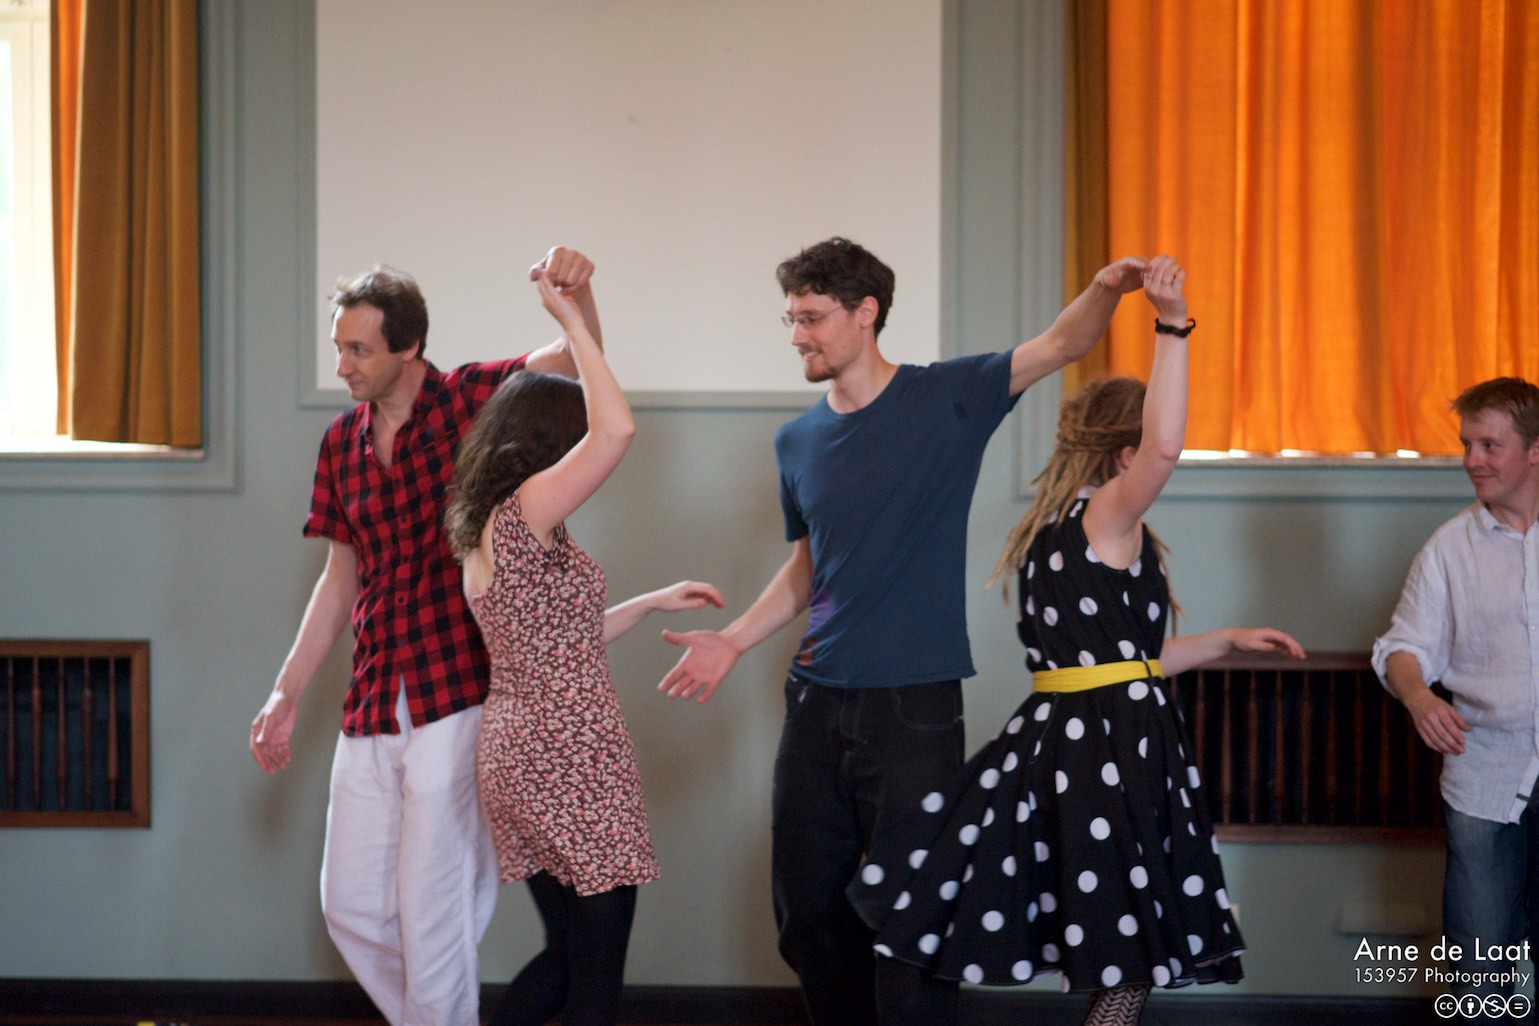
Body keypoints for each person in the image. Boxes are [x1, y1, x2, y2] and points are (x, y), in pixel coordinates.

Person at [657, 236, 1156, 1026]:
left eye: (812, 318)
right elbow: (807, 566)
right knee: (806, 918)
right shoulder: (796, 440)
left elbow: (1063, 344)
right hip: (814, 704)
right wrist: (734, 639)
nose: (797, 336)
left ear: (865, 313)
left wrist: (1104, 287)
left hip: (912, 711)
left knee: (913, 924)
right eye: (791, 319)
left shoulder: (946, 396)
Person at [846, 256, 1305, 1025]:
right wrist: (1171, 327)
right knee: (1129, 955)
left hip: (1073, 734)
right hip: (1110, 750)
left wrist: (1223, 641)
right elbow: (1164, 449)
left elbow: (1117, 665)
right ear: (1124, 455)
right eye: (1143, 454)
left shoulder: (1054, 533)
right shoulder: (1109, 518)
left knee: (1120, 945)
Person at [249, 248, 602, 1026]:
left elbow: (579, 365)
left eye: (358, 349)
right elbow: (340, 576)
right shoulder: (340, 442)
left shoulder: (472, 396)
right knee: (351, 909)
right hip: (374, 697)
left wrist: (578, 296)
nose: (341, 365)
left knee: (433, 913)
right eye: (338, 347)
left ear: (408, 345)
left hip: (460, 692)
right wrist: (286, 692)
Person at [445, 268, 720, 1026]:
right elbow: (617, 431)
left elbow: (557, 640)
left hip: (521, 747)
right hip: (567, 749)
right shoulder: (526, 508)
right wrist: (569, 318)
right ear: (549, 442)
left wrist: (650, 601)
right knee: (595, 972)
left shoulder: (494, 524)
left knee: (569, 955)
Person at [1373, 376, 1539, 1016]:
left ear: (1534, 450)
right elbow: (1401, 648)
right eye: (1467, 444)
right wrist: (1419, 698)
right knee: (1481, 972)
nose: (1472, 459)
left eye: (1490, 445)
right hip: (1484, 779)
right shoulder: (1447, 548)